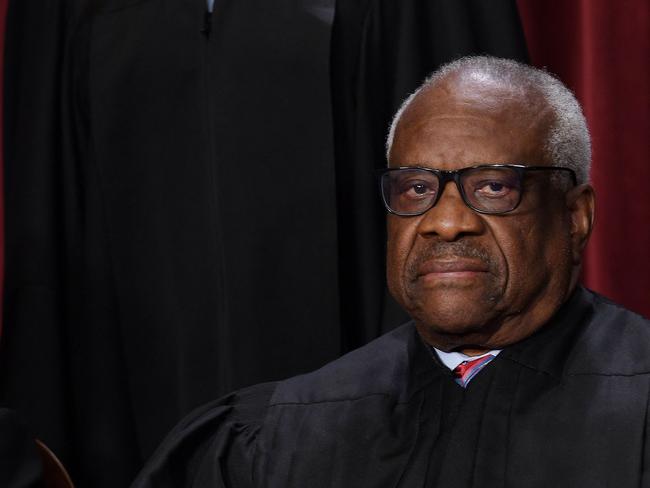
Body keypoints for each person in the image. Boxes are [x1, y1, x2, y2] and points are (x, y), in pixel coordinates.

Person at [131, 56, 650, 487]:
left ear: (575, 216)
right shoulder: (280, 433)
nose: (445, 223)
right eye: (416, 188)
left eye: (493, 186)